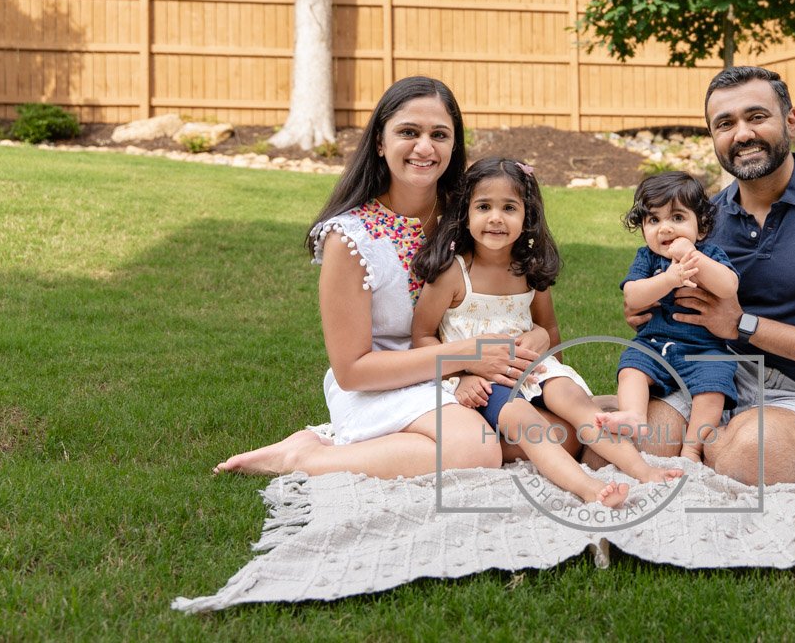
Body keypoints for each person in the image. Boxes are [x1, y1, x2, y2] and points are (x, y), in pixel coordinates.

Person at [214, 77, 536, 478]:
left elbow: (519, 292)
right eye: (408, 132)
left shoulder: (473, 217)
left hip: (465, 379)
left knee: (550, 436)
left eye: (439, 134)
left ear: (454, 147)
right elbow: (352, 371)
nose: (424, 147)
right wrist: (468, 354)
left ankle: (385, 447)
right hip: (380, 388)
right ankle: (304, 458)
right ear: (380, 143)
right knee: (478, 449)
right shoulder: (350, 239)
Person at [621, 66, 795, 486]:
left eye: (756, 117)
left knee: (753, 456)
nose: (742, 134)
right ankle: (711, 434)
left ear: (790, 120)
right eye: (725, 124)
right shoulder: (700, 220)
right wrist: (648, 307)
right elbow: (661, 287)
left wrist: (742, 325)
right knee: (634, 444)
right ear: (713, 137)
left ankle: (721, 440)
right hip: (709, 376)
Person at [411, 157, 683, 507]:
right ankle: (588, 489)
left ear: (527, 217)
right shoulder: (452, 274)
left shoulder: (528, 270)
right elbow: (421, 336)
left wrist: (543, 341)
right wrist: (462, 374)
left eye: (509, 207)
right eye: (484, 206)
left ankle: (644, 471)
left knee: (577, 404)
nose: (496, 217)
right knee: (526, 420)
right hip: (482, 380)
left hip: (534, 368)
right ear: (465, 213)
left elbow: (550, 330)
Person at [594, 171, 740, 464]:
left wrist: (694, 259)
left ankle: (693, 447)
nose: (665, 229)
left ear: (700, 228)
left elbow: (729, 286)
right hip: (654, 344)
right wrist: (669, 279)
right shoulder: (647, 259)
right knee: (632, 368)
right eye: (654, 220)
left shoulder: (708, 254)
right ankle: (634, 415)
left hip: (703, 350)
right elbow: (633, 296)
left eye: (677, 218)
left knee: (714, 387)